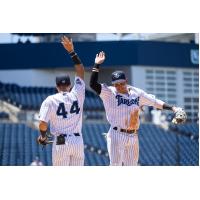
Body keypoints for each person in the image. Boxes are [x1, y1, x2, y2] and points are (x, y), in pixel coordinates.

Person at [89, 51, 183, 166]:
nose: (118, 86)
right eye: (116, 84)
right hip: (116, 134)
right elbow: (93, 84)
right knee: (115, 166)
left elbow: (155, 102)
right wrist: (97, 64)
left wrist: (174, 108)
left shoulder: (136, 93)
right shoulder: (109, 92)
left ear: (126, 81)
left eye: (121, 83)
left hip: (133, 135)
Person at [37, 36, 85, 166]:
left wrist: (43, 136)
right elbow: (80, 70)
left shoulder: (50, 100)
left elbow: (42, 124)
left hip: (61, 141)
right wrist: (71, 51)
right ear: (70, 85)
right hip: (77, 141)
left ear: (56, 86)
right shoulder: (77, 93)